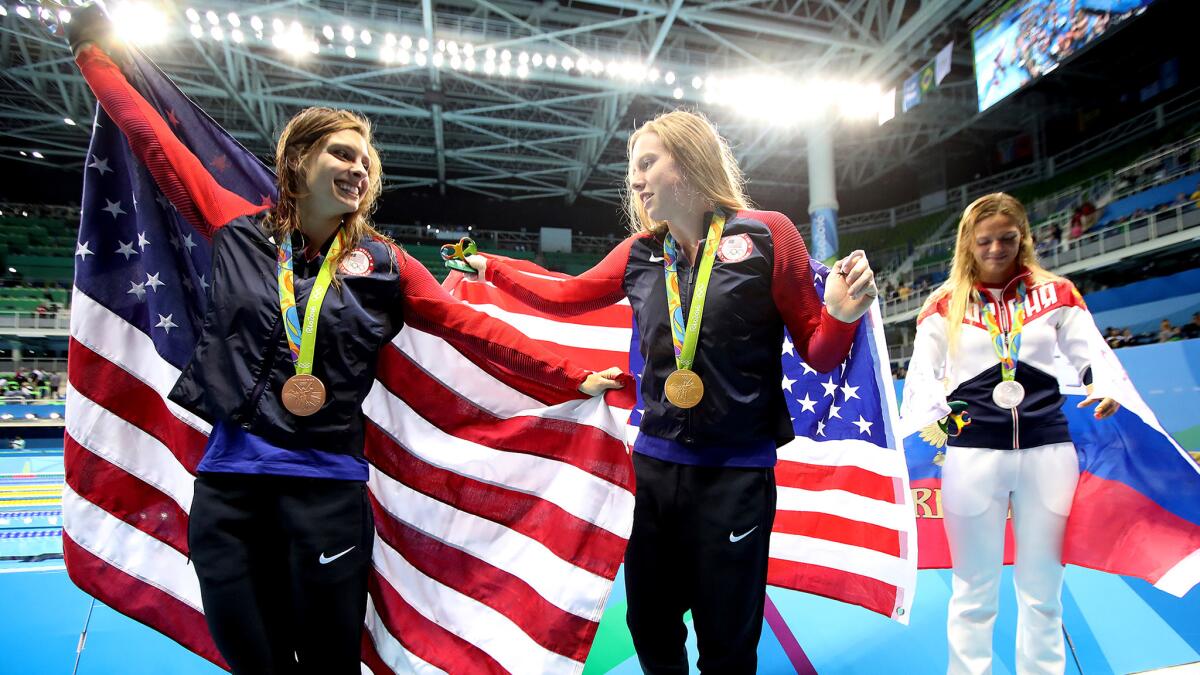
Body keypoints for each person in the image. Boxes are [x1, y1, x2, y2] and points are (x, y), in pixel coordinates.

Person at [67, 10, 623, 674]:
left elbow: (469, 327)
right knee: (256, 661)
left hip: (326, 495)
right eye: (342, 153)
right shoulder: (237, 229)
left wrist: (571, 375)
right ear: (299, 160)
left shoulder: (386, 264)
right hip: (228, 493)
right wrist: (92, 56)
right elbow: (154, 143)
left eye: (365, 160)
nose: (358, 169)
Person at [466, 110, 878, 674]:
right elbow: (566, 296)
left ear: (687, 160)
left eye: (646, 163)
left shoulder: (766, 233)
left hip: (735, 476)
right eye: (631, 169)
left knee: (727, 642)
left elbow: (822, 353)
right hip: (655, 471)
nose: (634, 180)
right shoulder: (640, 252)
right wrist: (490, 268)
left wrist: (842, 315)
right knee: (651, 628)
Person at [902, 193, 1120, 675]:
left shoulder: (1057, 293)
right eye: (985, 241)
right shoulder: (942, 305)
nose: (996, 249)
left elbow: (1092, 354)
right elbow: (920, 377)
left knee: (1043, 593)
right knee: (973, 591)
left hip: (1048, 453)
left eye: (1006, 238)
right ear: (968, 244)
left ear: (1023, 237)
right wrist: (927, 420)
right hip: (972, 457)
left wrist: (1104, 385)